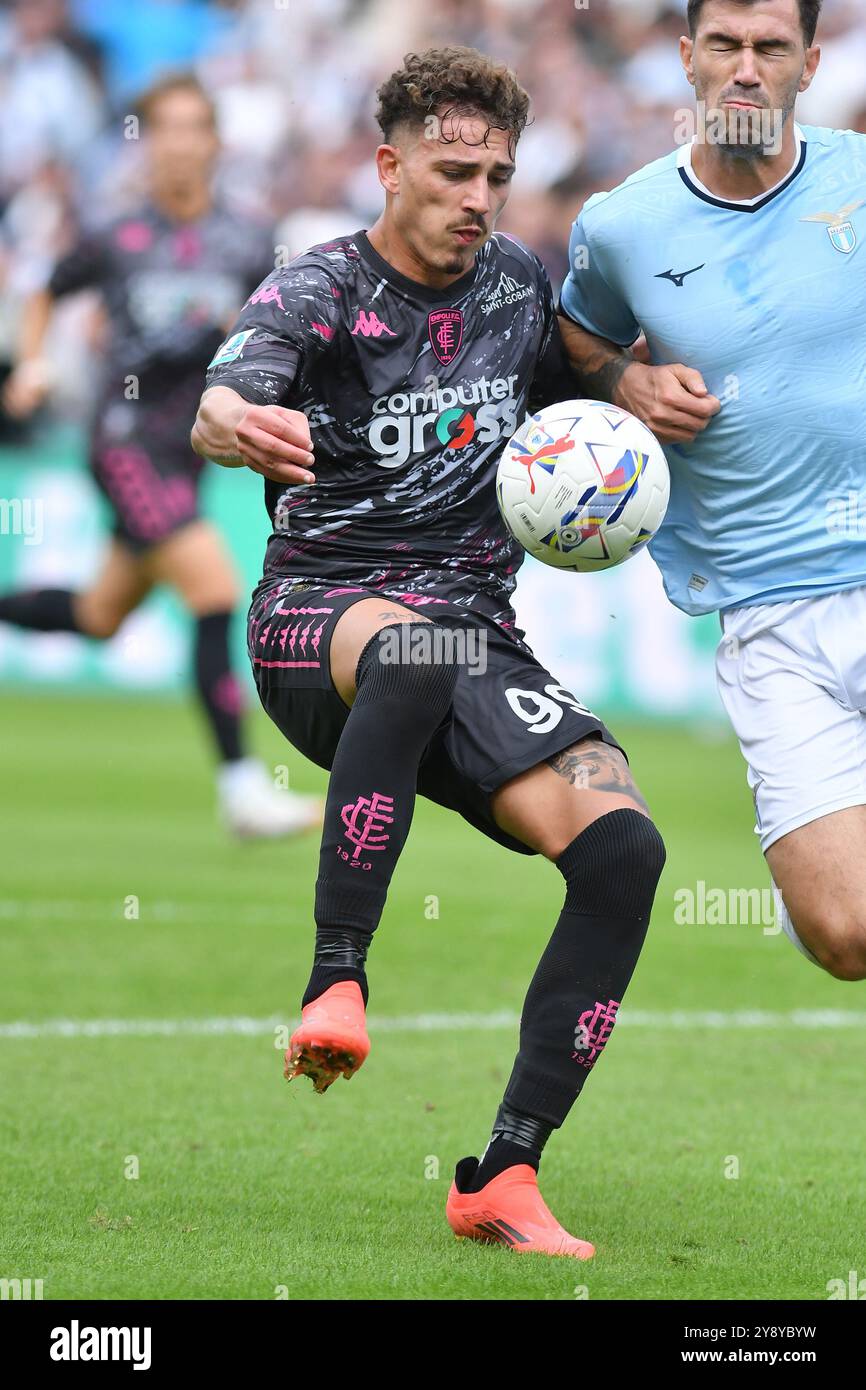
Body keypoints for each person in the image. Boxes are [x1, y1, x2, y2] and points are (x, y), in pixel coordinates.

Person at [192, 46, 666, 1258]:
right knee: (407, 649)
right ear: (388, 163)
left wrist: (636, 386)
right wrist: (238, 425)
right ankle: (335, 979)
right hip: (320, 619)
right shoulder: (312, 289)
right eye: (454, 172)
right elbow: (218, 399)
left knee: (622, 848)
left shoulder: (516, 283)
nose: (477, 197)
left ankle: (504, 1174)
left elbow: (589, 371)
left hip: (475, 635)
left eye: (496, 175)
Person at [558, 0, 866, 980]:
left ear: (807, 63)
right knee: (845, 938)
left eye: (768, 47)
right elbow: (578, 334)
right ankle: (822, 890)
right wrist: (624, 382)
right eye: (724, 46)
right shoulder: (618, 226)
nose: (745, 68)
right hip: (765, 609)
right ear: (686, 60)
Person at [0, 73, 321, 838]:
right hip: (123, 442)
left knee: (99, 614)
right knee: (214, 590)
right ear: (147, 142)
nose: (179, 143)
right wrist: (34, 361)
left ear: (214, 141)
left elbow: (282, 327)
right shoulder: (115, 236)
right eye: (163, 127)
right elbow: (47, 288)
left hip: (187, 456)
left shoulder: (247, 241)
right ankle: (243, 788)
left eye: (193, 127)